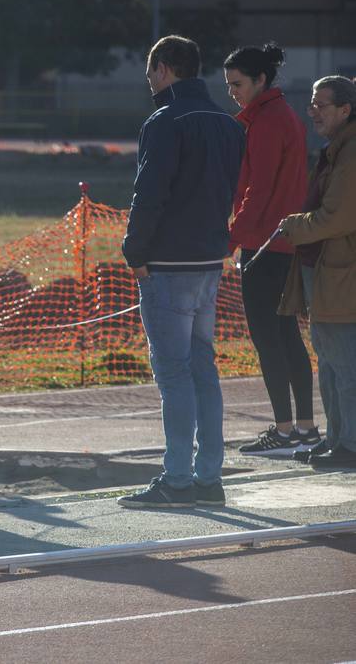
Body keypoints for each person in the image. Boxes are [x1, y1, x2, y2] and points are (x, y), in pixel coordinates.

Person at [118, 36, 245, 509]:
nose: (149, 81)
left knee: (173, 374)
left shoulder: (165, 120)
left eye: (151, 71)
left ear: (164, 68)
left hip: (168, 262)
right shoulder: (227, 123)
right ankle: (208, 478)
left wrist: (134, 250)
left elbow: (149, 192)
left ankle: (177, 479)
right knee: (202, 369)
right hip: (209, 258)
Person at [222, 44, 319, 454]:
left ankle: (283, 431)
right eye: (229, 85)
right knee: (287, 334)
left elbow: (257, 191)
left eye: (238, 84)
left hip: (263, 244)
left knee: (268, 338)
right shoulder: (285, 116)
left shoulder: (266, 121)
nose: (232, 92)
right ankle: (305, 428)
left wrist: (231, 239)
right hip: (285, 241)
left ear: (261, 80)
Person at [278, 76, 356, 470]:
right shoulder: (336, 149)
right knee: (328, 361)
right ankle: (337, 438)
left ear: (345, 109)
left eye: (320, 105)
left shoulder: (351, 153)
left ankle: (351, 445)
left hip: (341, 276)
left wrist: (294, 225)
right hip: (325, 272)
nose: (312, 112)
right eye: (311, 104)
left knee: (344, 364)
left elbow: (336, 218)